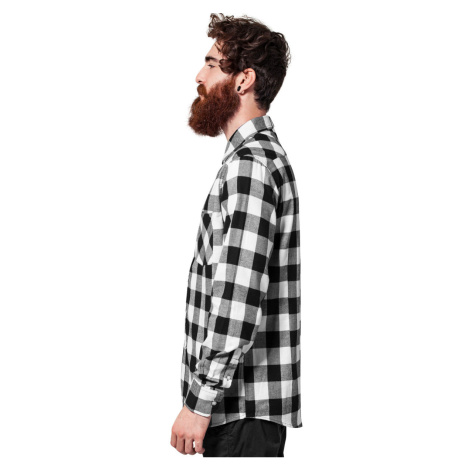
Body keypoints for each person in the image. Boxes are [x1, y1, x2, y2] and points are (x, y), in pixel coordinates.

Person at [170, 13, 302, 457]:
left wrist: (199, 401)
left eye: (212, 64)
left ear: (243, 79)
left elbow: (238, 299)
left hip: (239, 414)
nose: (199, 76)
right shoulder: (258, 158)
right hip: (244, 417)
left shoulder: (250, 165)